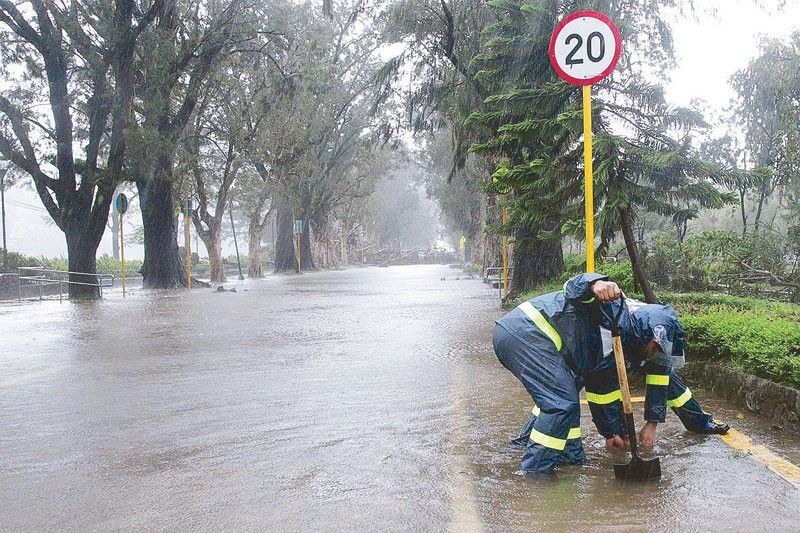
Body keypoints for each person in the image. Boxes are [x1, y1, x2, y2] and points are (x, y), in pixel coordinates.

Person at [510, 300, 730, 453]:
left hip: (627, 344)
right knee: (563, 394)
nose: (655, 351)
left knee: (668, 377)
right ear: (647, 337)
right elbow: (602, 390)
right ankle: (529, 437)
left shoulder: (662, 328)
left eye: (658, 348)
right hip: (588, 350)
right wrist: (613, 431)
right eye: (654, 347)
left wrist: (651, 425)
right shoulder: (618, 326)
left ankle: (699, 423)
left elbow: (659, 378)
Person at [492, 272, 626, 476]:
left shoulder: (614, 345)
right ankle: (534, 473)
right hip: (522, 333)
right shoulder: (616, 311)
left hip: (522, 335)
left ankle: (538, 448)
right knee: (561, 404)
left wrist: (613, 433)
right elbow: (573, 288)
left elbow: (601, 392)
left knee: (564, 395)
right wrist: (594, 283)